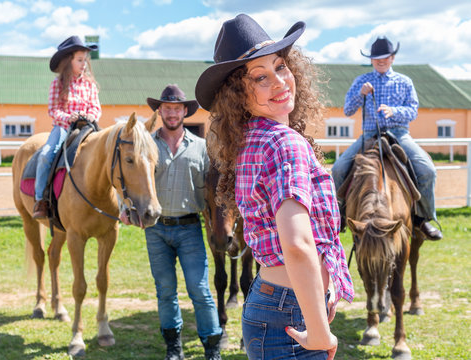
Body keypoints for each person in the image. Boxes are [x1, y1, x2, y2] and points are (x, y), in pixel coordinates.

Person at [195, 14, 354, 360]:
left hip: (275, 303)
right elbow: (296, 244)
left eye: (281, 67)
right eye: (260, 77)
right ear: (238, 94)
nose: (280, 82)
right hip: (291, 311)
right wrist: (318, 330)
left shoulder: (252, 139)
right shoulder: (285, 144)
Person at [331, 36, 442, 240]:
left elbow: (413, 111)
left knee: (428, 170)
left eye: (385, 57)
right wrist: (360, 95)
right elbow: (348, 110)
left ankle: (422, 218)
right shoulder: (361, 81)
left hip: (399, 135)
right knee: (338, 168)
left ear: (392, 58)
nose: (380, 61)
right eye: (376, 58)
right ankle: (338, 216)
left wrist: (394, 111)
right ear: (371, 60)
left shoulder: (404, 81)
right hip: (369, 136)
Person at [144, 84, 222, 359]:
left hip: (190, 228)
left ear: (185, 111)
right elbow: (134, 181)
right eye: (167, 108)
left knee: (199, 289)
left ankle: (212, 348)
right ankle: (173, 348)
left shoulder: (201, 147)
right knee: (165, 291)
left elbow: (212, 190)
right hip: (156, 230)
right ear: (160, 111)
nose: (172, 113)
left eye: (177, 108)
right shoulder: (148, 145)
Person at [32, 36, 101, 219]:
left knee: (109, 153)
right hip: (64, 127)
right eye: (79, 60)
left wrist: (91, 116)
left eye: (85, 60)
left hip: (88, 126)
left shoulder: (90, 85)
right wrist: (68, 117)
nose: (84, 64)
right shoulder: (58, 84)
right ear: (68, 61)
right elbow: (53, 110)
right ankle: (41, 200)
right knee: (47, 154)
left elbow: (95, 107)